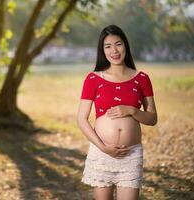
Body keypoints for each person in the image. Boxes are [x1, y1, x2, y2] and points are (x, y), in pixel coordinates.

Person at [77, 24, 158, 200]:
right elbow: (81, 119)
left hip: (131, 155)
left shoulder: (142, 78)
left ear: (126, 46)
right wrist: (103, 147)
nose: (114, 50)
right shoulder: (93, 79)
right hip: (101, 153)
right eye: (108, 46)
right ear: (102, 51)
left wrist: (131, 110)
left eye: (118, 44)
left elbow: (152, 118)